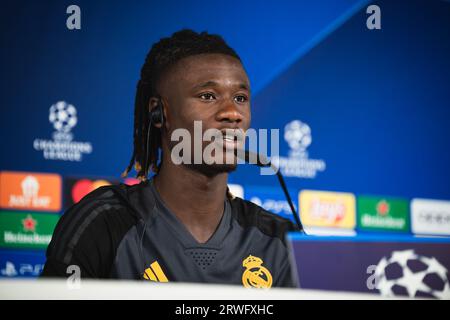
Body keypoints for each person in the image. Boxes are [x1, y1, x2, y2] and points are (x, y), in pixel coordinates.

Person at [41, 29, 301, 288]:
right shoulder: (102, 225)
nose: (233, 113)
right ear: (159, 113)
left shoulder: (279, 238)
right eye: (208, 96)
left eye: (240, 98)